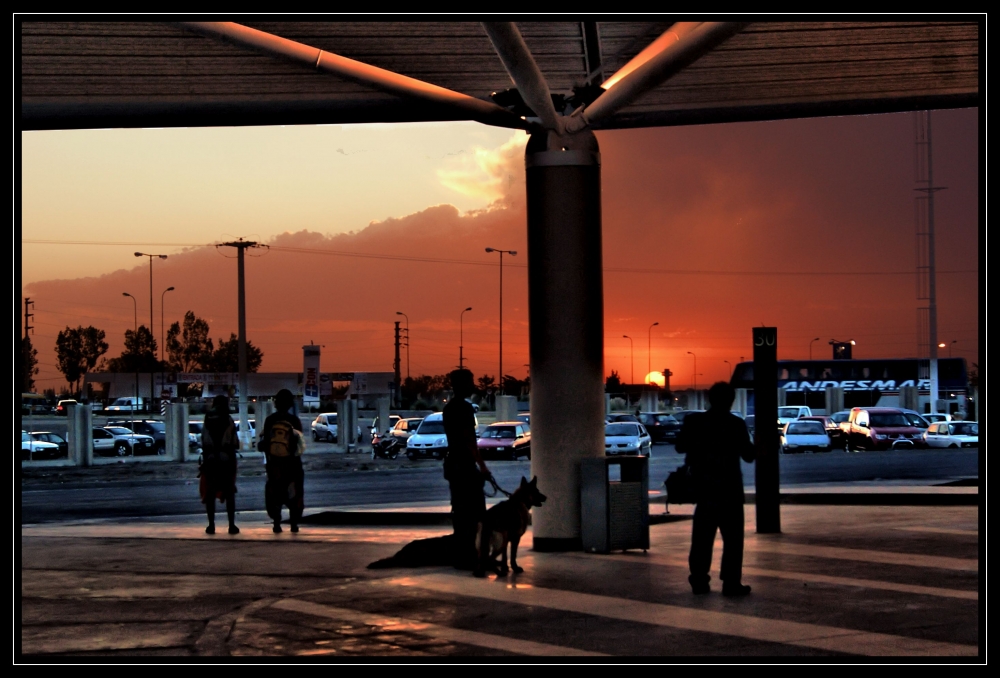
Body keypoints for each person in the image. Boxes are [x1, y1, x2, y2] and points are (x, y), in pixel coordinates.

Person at [675, 381, 755, 596]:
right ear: (731, 400)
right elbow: (749, 456)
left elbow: (680, 446)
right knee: (733, 541)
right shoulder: (736, 424)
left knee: (701, 538)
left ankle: (699, 579)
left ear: (709, 399)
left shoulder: (694, 422)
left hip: (704, 489)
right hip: (730, 490)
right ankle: (731, 582)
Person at [442, 368, 490, 573]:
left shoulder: (449, 408)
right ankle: (475, 556)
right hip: (466, 467)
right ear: (461, 385)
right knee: (477, 513)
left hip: (453, 466)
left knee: (460, 513)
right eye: (470, 382)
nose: (473, 386)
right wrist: (483, 466)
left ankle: (462, 556)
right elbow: (470, 440)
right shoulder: (465, 408)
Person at [258, 389, 305, 534]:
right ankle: (294, 525)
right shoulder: (295, 421)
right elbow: (300, 445)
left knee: (274, 493)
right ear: (290, 404)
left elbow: (264, 444)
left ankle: (277, 524)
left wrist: (269, 461)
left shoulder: (270, 420)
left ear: (276, 403)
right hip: (292, 464)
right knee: (295, 492)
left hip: (274, 464)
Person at [200, 395, 239, 535]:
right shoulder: (228, 420)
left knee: (210, 494)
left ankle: (211, 525)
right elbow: (235, 442)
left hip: (210, 461)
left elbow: (203, 439)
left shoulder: (207, 419)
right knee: (229, 493)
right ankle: (231, 525)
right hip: (226, 461)